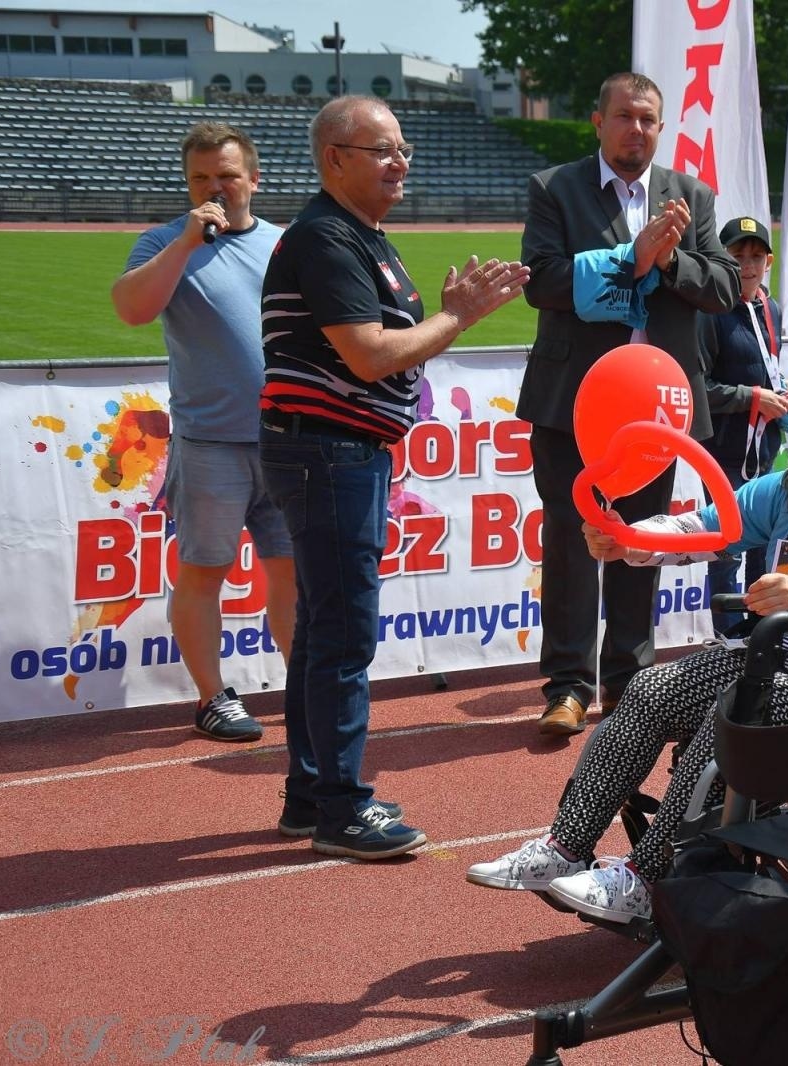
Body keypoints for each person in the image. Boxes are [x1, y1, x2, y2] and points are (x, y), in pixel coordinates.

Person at [467, 353, 788, 923]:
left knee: (732, 713)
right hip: (773, 656)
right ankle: (565, 846)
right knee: (650, 690)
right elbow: (701, 526)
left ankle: (647, 877)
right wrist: (630, 540)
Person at [259, 95, 528, 860]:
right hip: (328, 453)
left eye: (403, 148)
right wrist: (459, 317)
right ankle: (342, 809)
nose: (399, 162)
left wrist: (444, 317)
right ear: (334, 158)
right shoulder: (327, 237)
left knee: (323, 630)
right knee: (343, 635)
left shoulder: (358, 234)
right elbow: (371, 354)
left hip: (337, 452)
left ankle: (312, 794)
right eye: (382, 150)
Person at [515, 71, 739, 736]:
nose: (635, 129)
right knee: (570, 541)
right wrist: (631, 259)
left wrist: (669, 263)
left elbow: (725, 287)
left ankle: (628, 681)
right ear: (598, 121)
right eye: (624, 116)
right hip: (572, 404)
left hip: (656, 411)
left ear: (660, 128)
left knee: (641, 540)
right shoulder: (555, 189)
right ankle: (566, 687)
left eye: (647, 119)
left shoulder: (691, 195)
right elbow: (542, 282)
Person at [110, 122, 291, 744]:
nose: (214, 188)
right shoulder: (165, 242)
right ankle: (213, 696)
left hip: (287, 438)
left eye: (227, 176)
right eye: (201, 178)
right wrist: (187, 243)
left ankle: (305, 687)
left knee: (292, 573)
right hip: (211, 442)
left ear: (254, 179)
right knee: (204, 571)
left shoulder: (286, 244)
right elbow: (131, 309)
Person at [698, 215, 788, 636]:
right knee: (727, 548)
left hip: (763, 450)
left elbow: (765, 366)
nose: (747, 265)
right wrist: (753, 397)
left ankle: (761, 635)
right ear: (720, 260)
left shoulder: (769, 308)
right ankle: (727, 640)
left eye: (756, 256)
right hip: (723, 453)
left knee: (765, 542)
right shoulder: (709, 312)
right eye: (737, 255)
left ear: (768, 261)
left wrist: (783, 389)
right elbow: (697, 387)